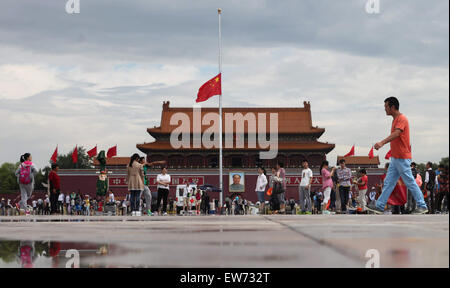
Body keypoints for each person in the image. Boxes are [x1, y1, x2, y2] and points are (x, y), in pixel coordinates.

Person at [367, 97, 427, 214]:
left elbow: (397, 133)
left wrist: (382, 142)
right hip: (396, 158)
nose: (385, 109)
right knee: (389, 183)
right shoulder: (395, 120)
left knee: (410, 182)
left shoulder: (402, 119)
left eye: (386, 107)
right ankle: (379, 205)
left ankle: (422, 205)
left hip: (402, 158)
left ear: (392, 107)